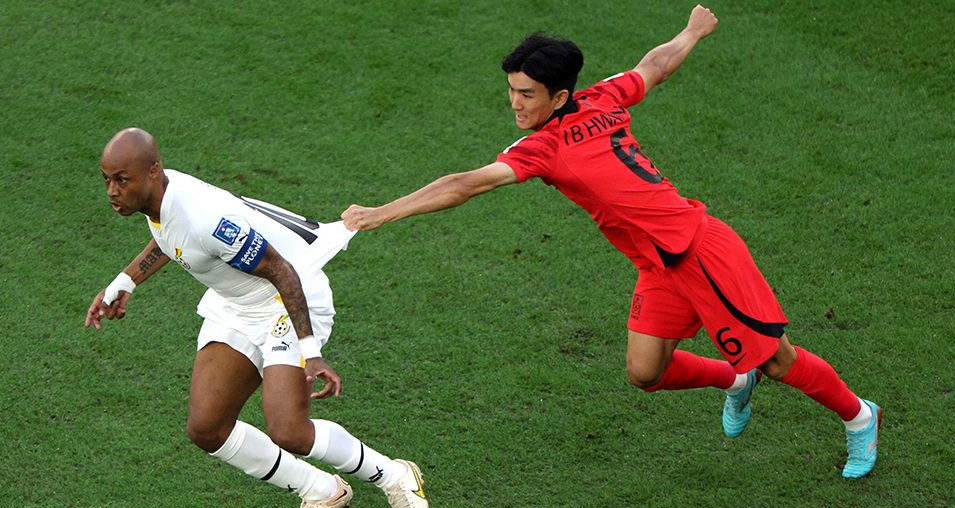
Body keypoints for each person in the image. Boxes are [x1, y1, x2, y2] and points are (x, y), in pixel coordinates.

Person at [342, 5, 881, 478]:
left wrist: (384, 212)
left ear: (559, 94)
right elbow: (654, 67)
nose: (514, 103)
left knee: (778, 363)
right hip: (658, 266)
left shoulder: (543, 148)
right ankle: (735, 383)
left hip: (701, 253)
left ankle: (859, 417)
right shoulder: (600, 98)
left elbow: (465, 185)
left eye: (526, 94)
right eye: (510, 89)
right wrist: (692, 31)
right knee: (645, 372)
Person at [86, 128, 429, 508]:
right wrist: (125, 282)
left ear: (153, 171)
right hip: (236, 304)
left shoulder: (205, 220)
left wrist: (310, 350)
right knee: (207, 427)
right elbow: (168, 238)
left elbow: (282, 271)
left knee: (290, 431)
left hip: (287, 298)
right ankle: (321, 491)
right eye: (107, 179)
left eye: (121, 179)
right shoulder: (158, 196)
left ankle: (394, 475)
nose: (112, 190)